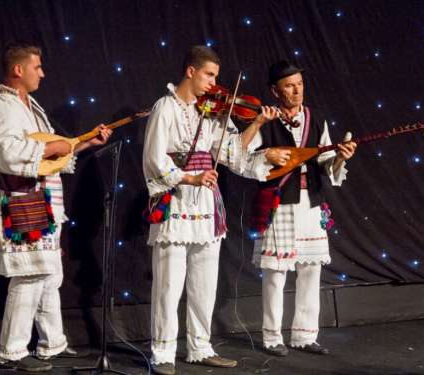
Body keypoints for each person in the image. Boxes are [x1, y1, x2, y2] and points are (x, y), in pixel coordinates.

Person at [0, 41, 112, 372]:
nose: (43, 73)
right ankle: (12, 350)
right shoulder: (0, 105)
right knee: (31, 274)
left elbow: (53, 157)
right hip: (23, 200)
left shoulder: (31, 106)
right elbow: (9, 151)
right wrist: (55, 144)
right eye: (37, 66)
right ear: (18, 70)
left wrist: (83, 143)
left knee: (51, 274)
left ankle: (52, 343)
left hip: (45, 202)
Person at [142, 45, 279, 375]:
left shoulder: (212, 112)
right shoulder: (166, 107)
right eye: (210, 75)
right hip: (175, 201)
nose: (215, 85)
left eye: (216, 77)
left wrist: (257, 122)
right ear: (191, 72)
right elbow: (153, 159)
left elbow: (232, 154)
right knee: (168, 287)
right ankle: (162, 353)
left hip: (207, 206)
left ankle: (200, 347)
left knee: (204, 284)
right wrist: (190, 176)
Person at [242, 60, 357, 356]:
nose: (297, 90)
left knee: (310, 269)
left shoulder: (316, 118)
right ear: (275, 91)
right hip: (279, 203)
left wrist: (341, 157)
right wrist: (269, 156)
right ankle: (272, 337)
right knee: (276, 271)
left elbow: (326, 163)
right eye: (290, 85)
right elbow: (243, 160)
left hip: (311, 202)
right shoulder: (263, 119)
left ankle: (305, 335)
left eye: (300, 84)